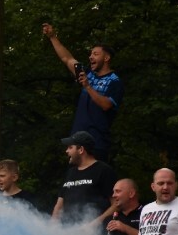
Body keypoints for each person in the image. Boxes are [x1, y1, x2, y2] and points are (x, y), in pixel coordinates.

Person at [41, 23, 124, 163]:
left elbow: (106, 105)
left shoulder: (115, 81)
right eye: (90, 54)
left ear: (106, 58)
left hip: (97, 142)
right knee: (73, 182)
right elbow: (66, 58)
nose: (91, 57)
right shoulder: (87, 73)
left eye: (96, 54)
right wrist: (52, 37)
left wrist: (88, 86)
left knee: (94, 181)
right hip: (76, 140)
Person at [52, 131, 118, 226]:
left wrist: (94, 224)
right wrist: (52, 228)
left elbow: (116, 204)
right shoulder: (70, 172)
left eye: (70, 147)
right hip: (66, 234)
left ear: (81, 150)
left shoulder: (103, 170)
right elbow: (59, 205)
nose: (67, 151)